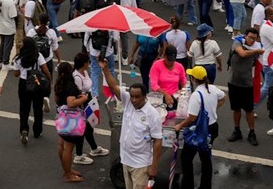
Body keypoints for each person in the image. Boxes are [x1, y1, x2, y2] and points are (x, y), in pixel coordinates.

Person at [99, 58, 162, 189]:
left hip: (141, 165)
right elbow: (113, 86)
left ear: (145, 96)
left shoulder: (152, 114)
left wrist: (154, 167)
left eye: (137, 97)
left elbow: (157, 141)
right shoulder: (127, 101)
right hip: (125, 160)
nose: (133, 100)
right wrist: (105, 70)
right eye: (132, 96)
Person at [174, 66, 225, 189]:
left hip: (198, 131)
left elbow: (192, 117)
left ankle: (187, 185)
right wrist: (213, 109)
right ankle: (205, 186)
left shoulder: (196, 95)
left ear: (193, 79)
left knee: (186, 157)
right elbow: (224, 97)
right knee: (206, 158)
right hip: (212, 128)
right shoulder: (212, 88)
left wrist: (179, 125)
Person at [53, 61, 91, 183]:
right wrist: (84, 98)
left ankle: (67, 170)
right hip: (71, 121)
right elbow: (71, 102)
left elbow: (57, 100)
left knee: (62, 145)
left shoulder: (59, 84)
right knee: (68, 149)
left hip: (62, 118)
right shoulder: (70, 86)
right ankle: (68, 175)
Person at [227, 27, 264, 146]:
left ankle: (251, 133)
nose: (251, 40)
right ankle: (236, 130)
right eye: (249, 37)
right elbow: (242, 53)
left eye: (254, 38)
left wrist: (256, 51)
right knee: (236, 109)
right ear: (245, 36)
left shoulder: (258, 47)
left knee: (249, 110)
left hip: (248, 84)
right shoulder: (238, 42)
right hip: (233, 82)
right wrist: (255, 51)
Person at [13, 36, 51, 145]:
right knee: (37, 108)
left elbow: (16, 74)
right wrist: (49, 83)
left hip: (24, 84)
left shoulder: (19, 58)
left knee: (24, 109)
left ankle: (24, 129)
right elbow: (46, 70)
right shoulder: (38, 56)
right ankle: (37, 131)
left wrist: (22, 70)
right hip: (36, 84)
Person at [149, 45, 187, 110]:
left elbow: (183, 82)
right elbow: (154, 85)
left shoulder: (179, 67)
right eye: (169, 60)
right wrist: (166, 95)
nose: (171, 62)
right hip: (160, 97)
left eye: (173, 60)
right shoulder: (156, 65)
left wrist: (181, 93)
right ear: (164, 56)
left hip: (175, 97)